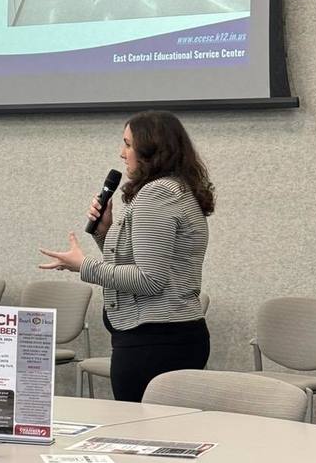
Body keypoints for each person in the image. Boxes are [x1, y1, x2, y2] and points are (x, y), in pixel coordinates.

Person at [39, 111, 213, 402]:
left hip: (154, 342)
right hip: (167, 338)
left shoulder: (157, 194)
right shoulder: (176, 188)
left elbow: (149, 279)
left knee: (141, 428)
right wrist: (104, 233)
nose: (122, 153)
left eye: (128, 144)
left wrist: (83, 266)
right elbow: (143, 264)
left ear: (151, 149)